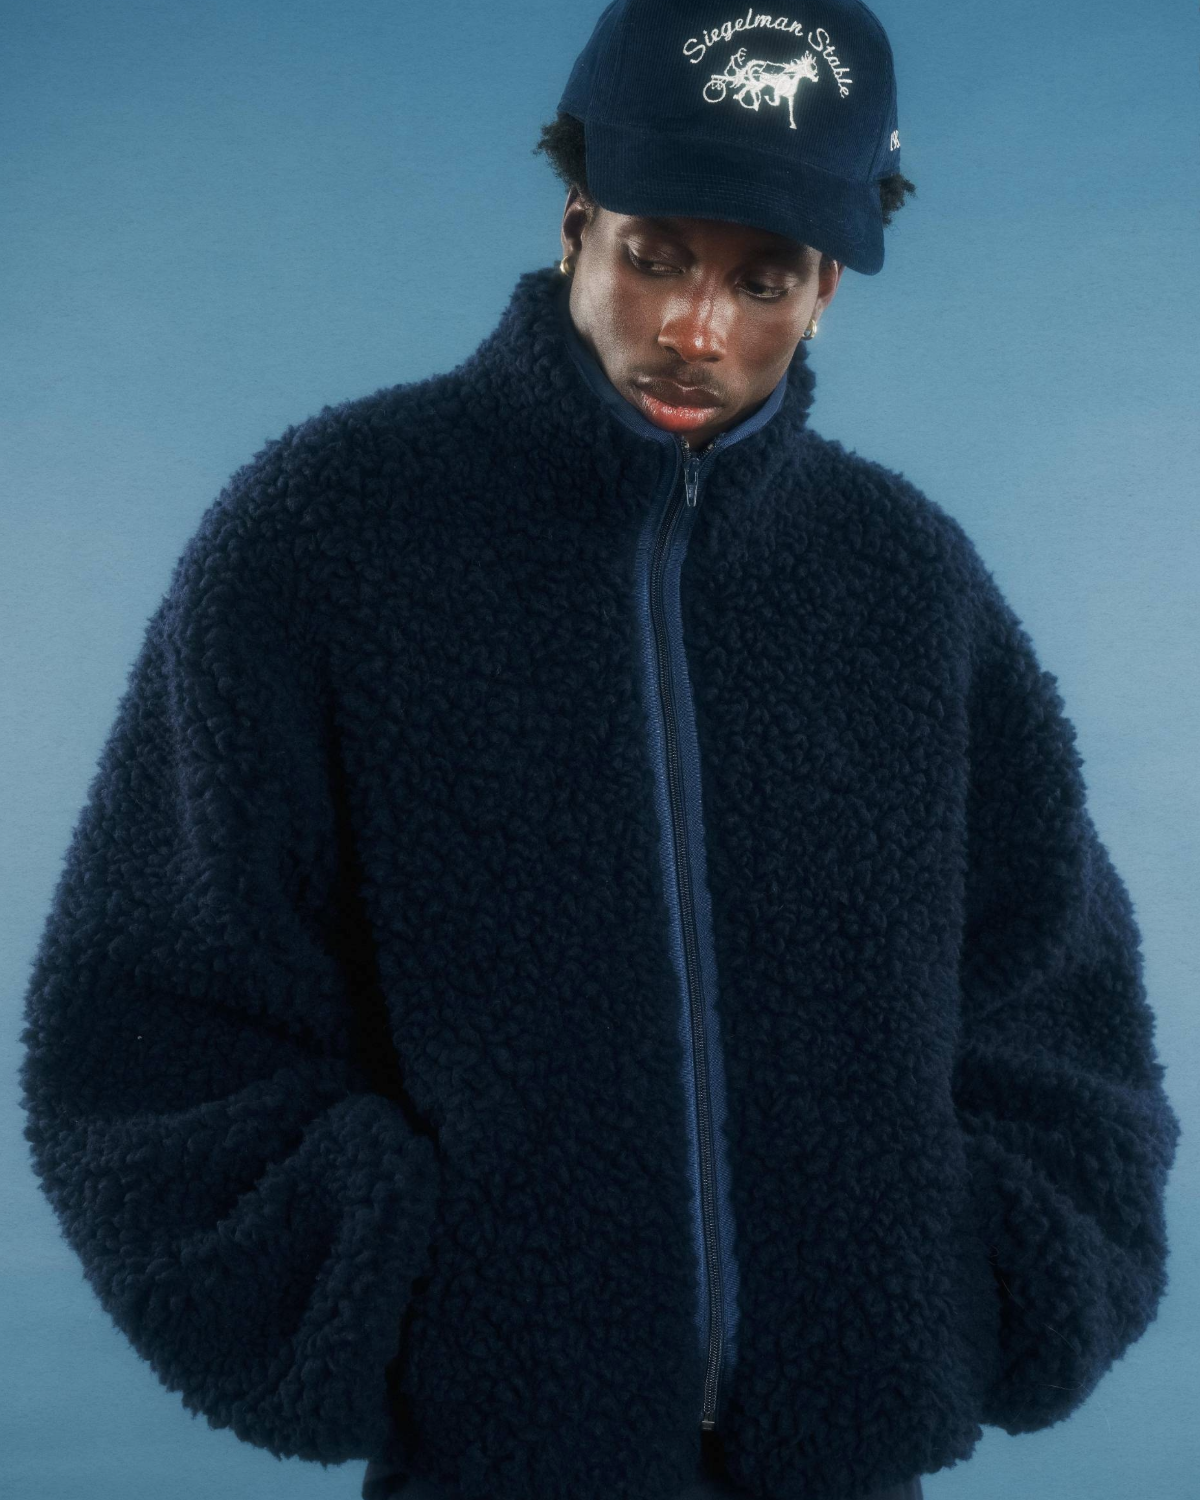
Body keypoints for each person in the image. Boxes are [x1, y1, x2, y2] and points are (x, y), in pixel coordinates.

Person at [17, 3, 1181, 1500]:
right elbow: (150, 1016)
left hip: (841, 1460)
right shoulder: (326, 535)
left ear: (826, 289)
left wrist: (961, 1278)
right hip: (499, 1455)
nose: (697, 330)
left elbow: (1061, 1008)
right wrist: (395, 1295)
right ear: (577, 222)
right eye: (656, 255)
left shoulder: (908, 583)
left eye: (761, 281)